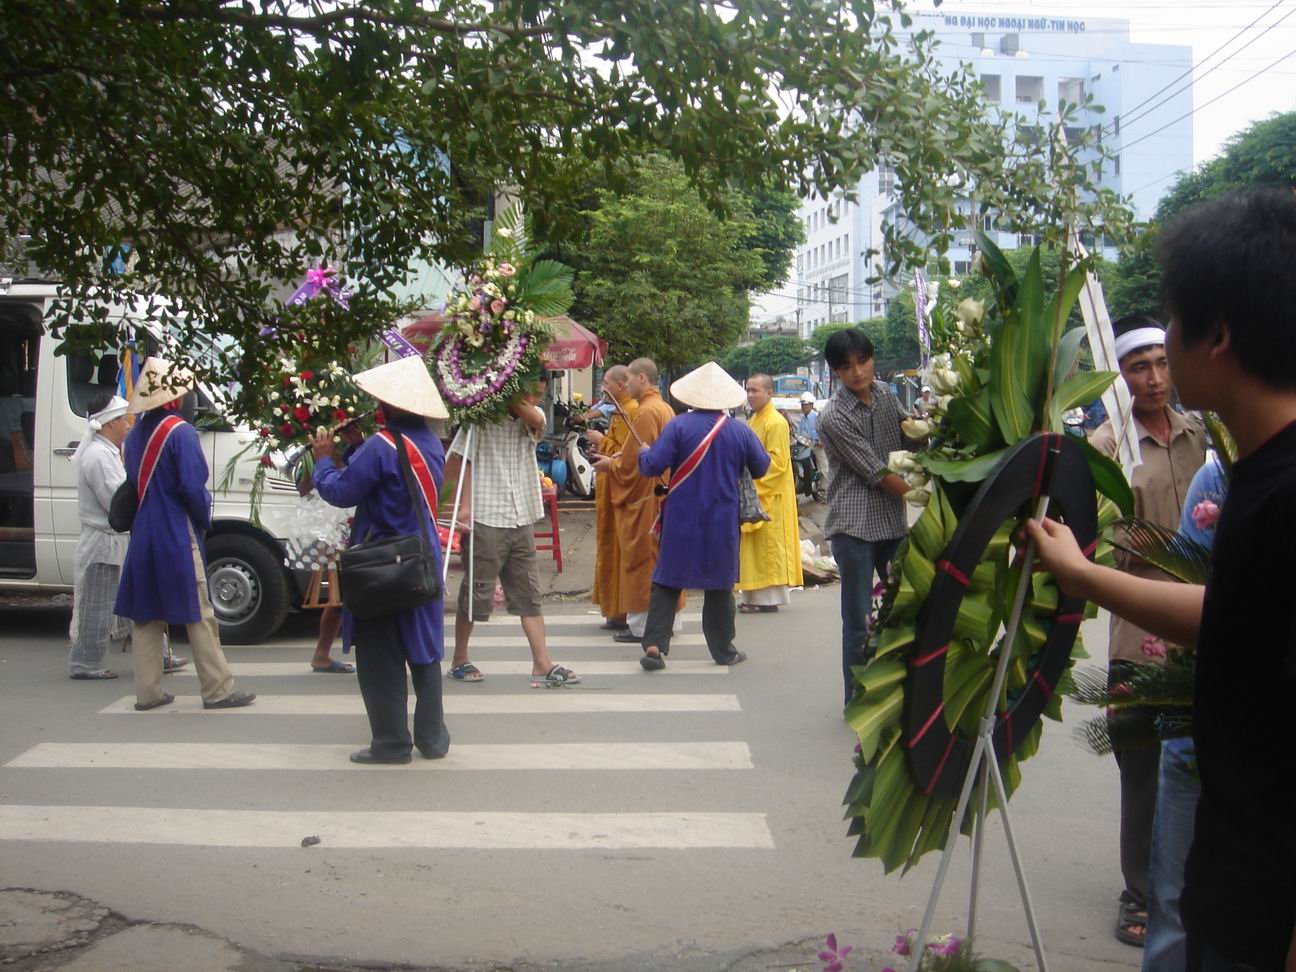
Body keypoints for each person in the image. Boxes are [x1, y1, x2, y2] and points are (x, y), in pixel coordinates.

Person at [1026, 189, 1296, 972]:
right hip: (1233, 888)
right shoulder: (1253, 479)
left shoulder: (1283, 493)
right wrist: (1079, 571)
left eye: (1170, 326)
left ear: (1218, 336)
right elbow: (1231, 618)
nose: (1158, 351)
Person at [1089, 312, 1207, 949]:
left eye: (1162, 363)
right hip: (1140, 628)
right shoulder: (1110, 446)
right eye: (1139, 367)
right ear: (1121, 375)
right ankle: (1138, 892)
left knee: (1199, 762)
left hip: (1206, 621)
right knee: (1142, 767)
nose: (1155, 378)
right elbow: (1100, 544)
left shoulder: (1202, 434)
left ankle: (1188, 878)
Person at [311, 356, 450, 763]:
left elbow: (341, 492)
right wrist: (357, 446)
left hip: (383, 564)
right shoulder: (427, 443)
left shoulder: (380, 446)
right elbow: (395, 480)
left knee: (380, 655)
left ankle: (390, 743)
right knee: (424, 650)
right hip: (420, 556)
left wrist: (323, 459)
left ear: (387, 407)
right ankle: (432, 739)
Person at [114, 358, 253, 712]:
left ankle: (147, 693)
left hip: (143, 531)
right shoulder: (181, 432)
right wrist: (202, 520)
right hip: (175, 531)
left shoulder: (135, 435)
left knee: (145, 615)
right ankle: (217, 689)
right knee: (199, 612)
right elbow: (193, 488)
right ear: (176, 398)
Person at [1143, 453, 1226, 971]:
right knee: (1173, 900)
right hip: (1193, 729)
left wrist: (1082, 575)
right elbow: (1184, 586)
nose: (1164, 374)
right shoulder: (1217, 476)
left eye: (1165, 362)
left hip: (1259, 749)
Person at [443, 376, 579, 685]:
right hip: (486, 515)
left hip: (522, 515)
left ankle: (542, 662)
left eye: (540, 390)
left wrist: (499, 386)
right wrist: (463, 506)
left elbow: (532, 416)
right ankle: (459, 659)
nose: (536, 395)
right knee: (476, 592)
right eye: (532, 387)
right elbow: (464, 461)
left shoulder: (534, 417)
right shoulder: (477, 422)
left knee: (528, 592)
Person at [636, 362, 770, 670]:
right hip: (722, 519)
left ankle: (655, 645)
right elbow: (762, 467)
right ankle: (724, 651)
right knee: (720, 586)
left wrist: (643, 452)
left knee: (667, 580)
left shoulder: (679, 426)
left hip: (682, 517)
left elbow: (651, 466)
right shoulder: (739, 430)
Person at [817, 329, 910, 705]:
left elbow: (909, 436)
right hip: (853, 530)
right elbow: (876, 472)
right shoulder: (832, 417)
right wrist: (931, 496)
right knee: (858, 622)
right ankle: (856, 701)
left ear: (872, 358)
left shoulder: (887, 395)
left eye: (863, 360)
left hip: (892, 525)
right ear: (835, 373)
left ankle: (893, 692)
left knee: (900, 613)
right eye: (846, 366)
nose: (857, 372)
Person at [593, 357, 677, 645]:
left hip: (643, 496)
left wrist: (611, 465)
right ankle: (667, 620)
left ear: (642, 378)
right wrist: (620, 457)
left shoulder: (644, 412)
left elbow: (632, 464)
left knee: (641, 559)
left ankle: (642, 624)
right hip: (659, 493)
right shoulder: (664, 407)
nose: (625, 384)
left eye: (628, 378)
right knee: (660, 559)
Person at [67, 394, 134, 679]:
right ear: (109, 424)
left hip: (114, 540)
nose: (128, 425)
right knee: (97, 604)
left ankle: (159, 654)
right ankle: (85, 663)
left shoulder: (107, 452)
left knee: (133, 599)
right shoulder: (97, 456)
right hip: (102, 543)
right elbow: (116, 501)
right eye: (122, 419)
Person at [296, 417, 367, 674]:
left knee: (343, 597)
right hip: (332, 529)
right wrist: (322, 460)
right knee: (342, 595)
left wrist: (352, 447)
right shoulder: (319, 460)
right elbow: (305, 489)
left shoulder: (353, 455)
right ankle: (322, 654)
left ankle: (322, 654)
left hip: (348, 525)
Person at [736, 373, 803, 612]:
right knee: (755, 548)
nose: (750, 395)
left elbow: (777, 464)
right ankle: (753, 597)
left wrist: (752, 485)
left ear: (769, 393)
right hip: (757, 492)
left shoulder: (775, 422)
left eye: (755, 390)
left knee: (768, 548)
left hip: (770, 495)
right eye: (748, 390)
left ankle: (767, 600)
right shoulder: (755, 420)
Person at [587, 366, 638, 631]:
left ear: (621, 384)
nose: (603, 388)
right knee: (610, 545)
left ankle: (622, 610)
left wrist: (601, 440)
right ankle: (615, 610)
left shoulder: (631, 410)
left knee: (620, 549)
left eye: (606, 383)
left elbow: (627, 455)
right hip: (610, 486)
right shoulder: (620, 409)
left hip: (622, 490)